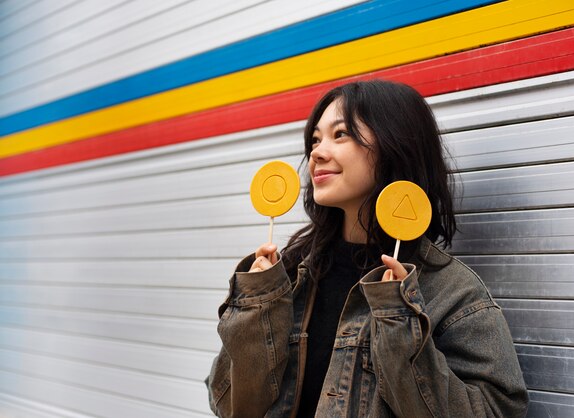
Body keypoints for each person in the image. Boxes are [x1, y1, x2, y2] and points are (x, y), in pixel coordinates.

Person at [206, 80, 529, 417]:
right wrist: (258, 305)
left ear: (394, 143)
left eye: (340, 134)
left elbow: (495, 410)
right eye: (315, 139)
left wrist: (399, 321)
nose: (316, 152)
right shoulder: (288, 274)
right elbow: (231, 407)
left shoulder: (450, 290)